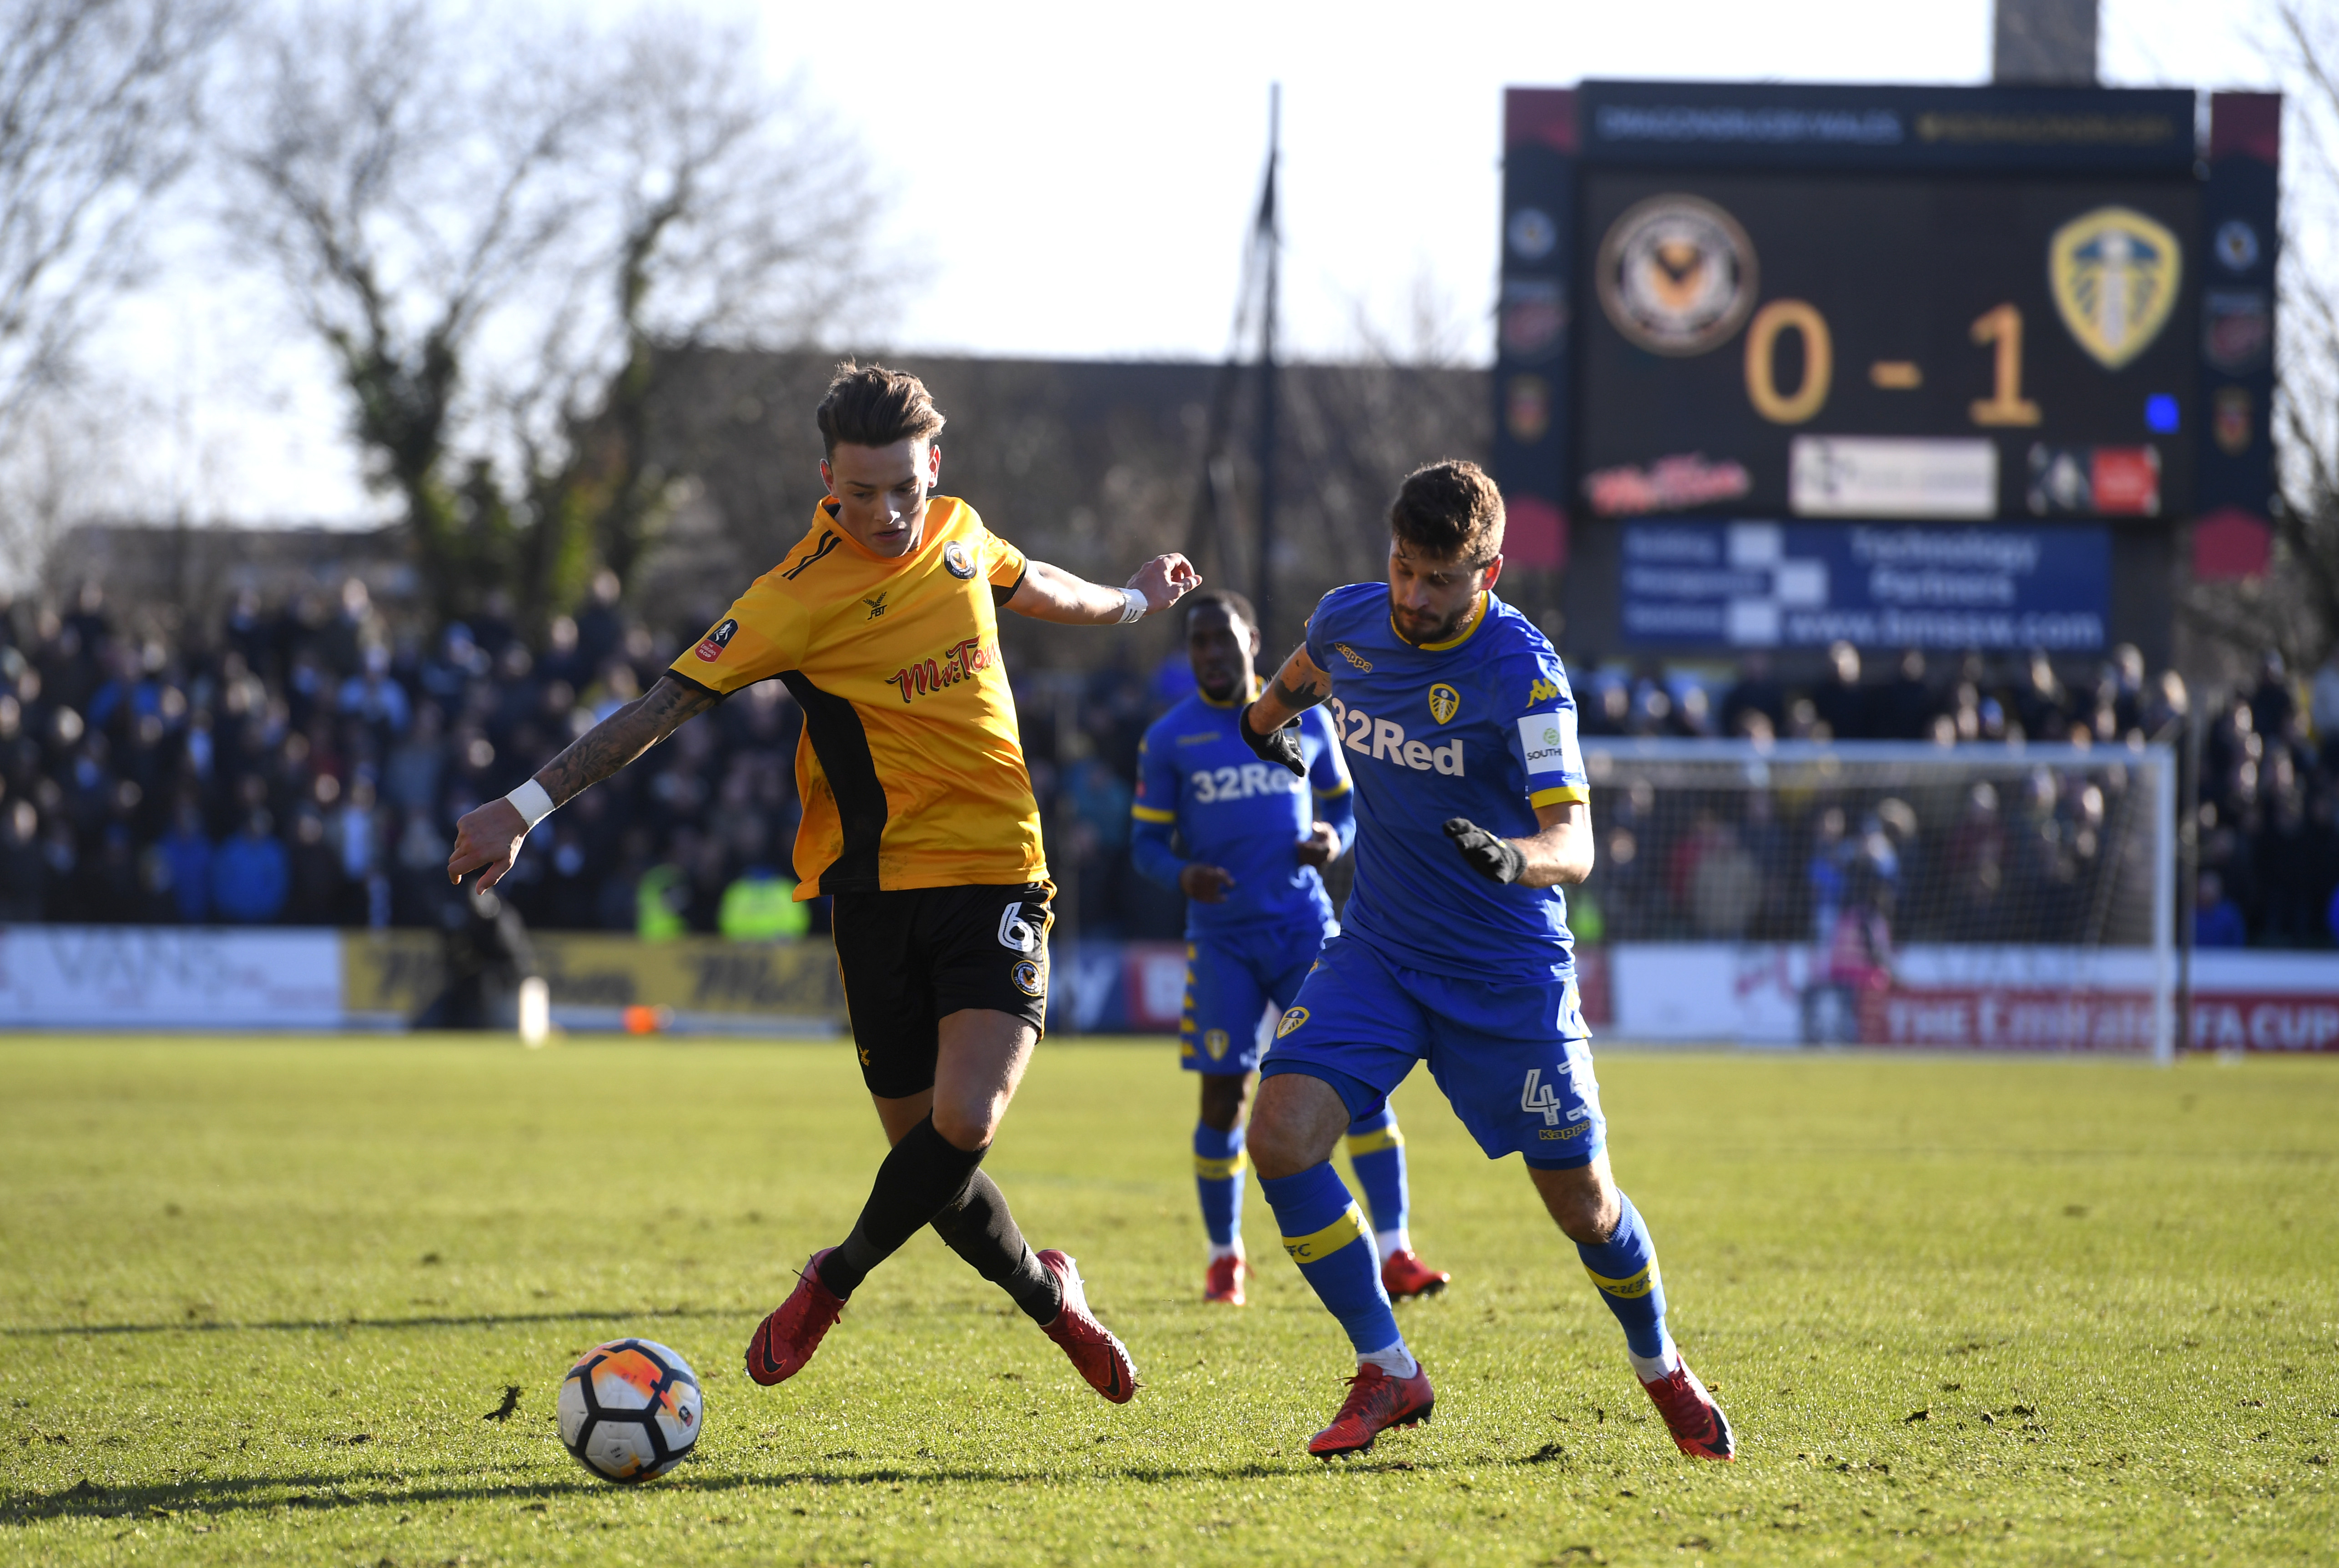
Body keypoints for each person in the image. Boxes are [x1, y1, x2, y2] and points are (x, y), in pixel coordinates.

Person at [448, 361, 1198, 1407]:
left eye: (906, 486)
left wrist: (1129, 601)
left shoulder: (963, 531)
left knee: (965, 1120)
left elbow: (1033, 583)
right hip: (875, 894)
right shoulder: (791, 599)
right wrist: (523, 806)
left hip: (999, 871)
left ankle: (830, 1279)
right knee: (928, 1170)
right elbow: (660, 707)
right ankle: (1052, 1294)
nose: (889, 513)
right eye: (863, 493)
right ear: (826, 483)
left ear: (934, 466)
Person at [1231, 460, 1734, 1462]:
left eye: (1438, 579)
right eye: (1403, 568)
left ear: (1490, 572)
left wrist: (1516, 859)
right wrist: (1268, 726)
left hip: (1508, 972)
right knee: (1281, 1136)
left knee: (1585, 1207)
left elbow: (1575, 843)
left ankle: (1663, 1365)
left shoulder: (1524, 673)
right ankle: (1388, 1367)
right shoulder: (1349, 620)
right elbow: (1288, 685)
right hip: (1378, 950)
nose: (1412, 596)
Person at [1130, 589, 1450, 1308]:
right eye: (1197, 643)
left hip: (1307, 932)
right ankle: (1224, 1259)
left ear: (1252, 641)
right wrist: (1182, 874)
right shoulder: (1168, 739)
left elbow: (1345, 806)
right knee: (1223, 1100)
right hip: (1222, 944)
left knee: (1358, 1088)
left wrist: (1335, 837)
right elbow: (1144, 844)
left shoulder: (1304, 721)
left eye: (1223, 639)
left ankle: (1395, 1250)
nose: (1210, 653)